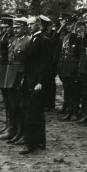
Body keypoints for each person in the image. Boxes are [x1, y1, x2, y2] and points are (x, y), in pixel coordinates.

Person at [20, 16, 53, 154]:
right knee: (35, 112)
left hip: (37, 83)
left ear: (38, 25)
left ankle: (30, 143)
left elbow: (46, 64)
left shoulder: (44, 40)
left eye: (31, 24)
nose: (28, 26)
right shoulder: (32, 39)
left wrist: (41, 82)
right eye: (27, 24)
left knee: (33, 113)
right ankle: (40, 141)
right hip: (29, 80)